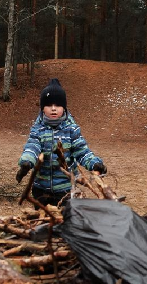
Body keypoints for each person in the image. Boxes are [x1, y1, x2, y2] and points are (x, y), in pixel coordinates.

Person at [16, 78, 105, 206]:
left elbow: (82, 152)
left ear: (64, 107)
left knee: (64, 221)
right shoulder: (37, 129)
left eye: (58, 105)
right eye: (49, 105)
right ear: (42, 108)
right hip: (41, 189)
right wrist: (26, 162)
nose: (53, 109)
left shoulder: (71, 129)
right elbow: (32, 147)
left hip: (66, 189)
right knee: (44, 221)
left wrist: (95, 164)